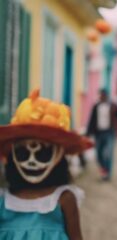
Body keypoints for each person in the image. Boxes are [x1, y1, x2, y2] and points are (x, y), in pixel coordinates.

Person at [0, 90, 92, 239]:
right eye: (23, 152)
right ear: (13, 155)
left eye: (43, 153)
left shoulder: (64, 199)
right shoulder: (3, 201)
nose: (31, 160)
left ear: (58, 156)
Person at [86, 88, 117, 180]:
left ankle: (107, 173)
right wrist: (88, 133)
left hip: (110, 133)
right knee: (98, 154)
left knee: (108, 153)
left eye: (103, 95)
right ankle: (103, 168)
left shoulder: (113, 106)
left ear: (107, 96)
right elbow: (91, 120)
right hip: (98, 133)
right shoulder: (96, 106)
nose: (102, 97)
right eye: (100, 95)